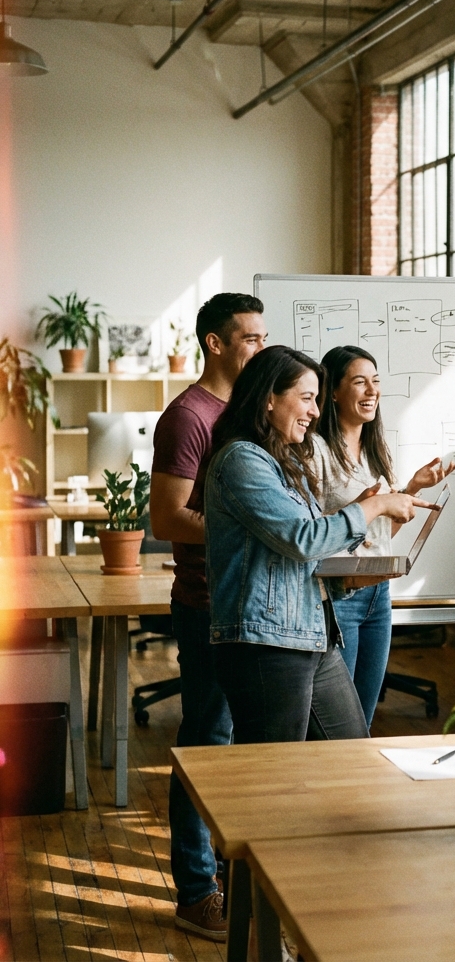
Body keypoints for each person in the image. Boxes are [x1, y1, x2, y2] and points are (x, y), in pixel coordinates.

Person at [203, 345, 436, 747]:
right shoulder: (242, 460)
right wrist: (374, 505)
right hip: (267, 643)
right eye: (306, 398)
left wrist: (348, 578)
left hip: (312, 632)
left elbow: (308, 545)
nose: (314, 412)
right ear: (269, 398)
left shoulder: (282, 462)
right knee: (276, 774)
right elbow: (302, 539)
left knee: (350, 750)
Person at [150, 291, 266, 941]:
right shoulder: (189, 416)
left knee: (239, 749)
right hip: (208, 606)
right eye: (249, 338)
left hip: (252, 604)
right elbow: (166, 518)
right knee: (206, 744)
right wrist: (247, 528)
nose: (260, 347)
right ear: (216, 343)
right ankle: (196, 892)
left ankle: (232, 877)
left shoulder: (246, 413)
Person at [312, 345, 454, 726]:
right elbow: (311, 533)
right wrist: (361, 507)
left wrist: (411, 490)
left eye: (376, 381)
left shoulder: (376, 449)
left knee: (365, 717)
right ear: (333, 392)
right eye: (360, 382)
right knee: (342, 722)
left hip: (379, 594)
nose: (372, 391)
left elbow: (380, 533)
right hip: (340, 595)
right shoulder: (316, 450)